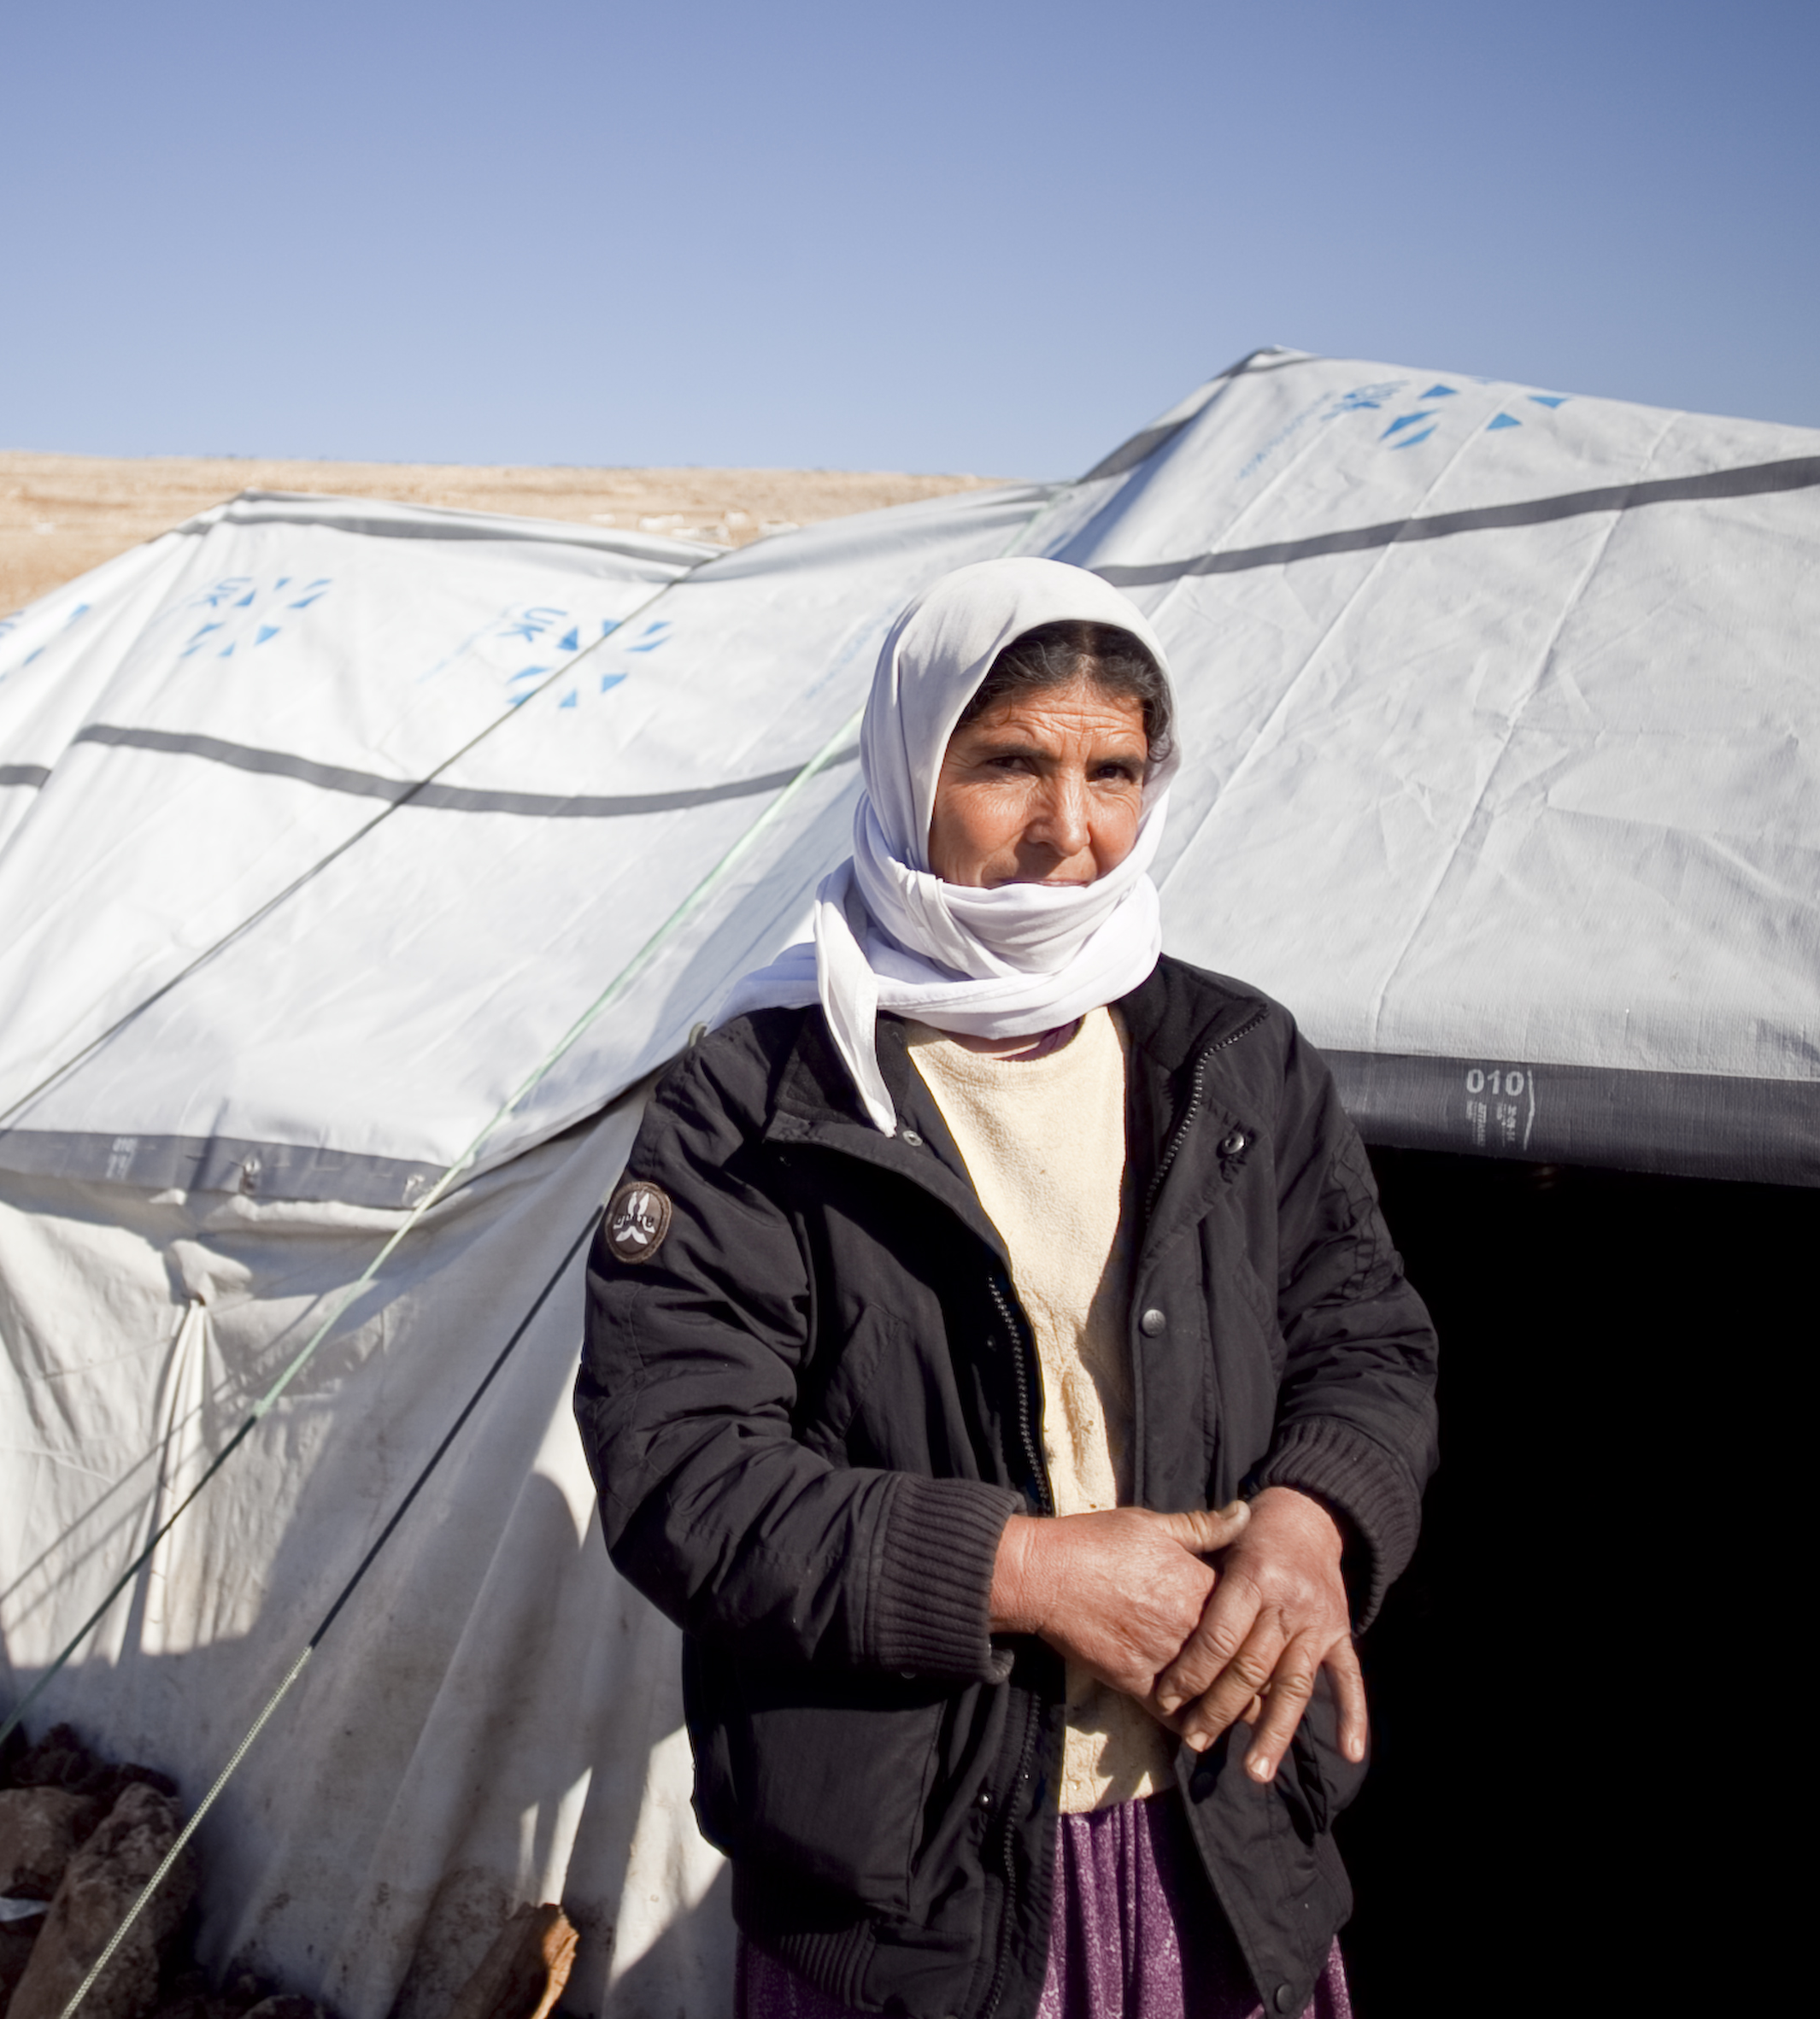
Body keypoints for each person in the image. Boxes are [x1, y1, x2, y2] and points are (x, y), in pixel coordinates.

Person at [576, 558, 1439, 2019]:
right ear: (911, 767)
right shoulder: (765, 1095)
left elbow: (1367, 1337)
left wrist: (1315, 1519)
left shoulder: (1232, 1059)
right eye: (1009, 765)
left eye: (1115, 770)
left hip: (1222, 1837)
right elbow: (678, 1473)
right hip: (919, 1879)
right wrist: (1027, 1573)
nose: (1070, 831)